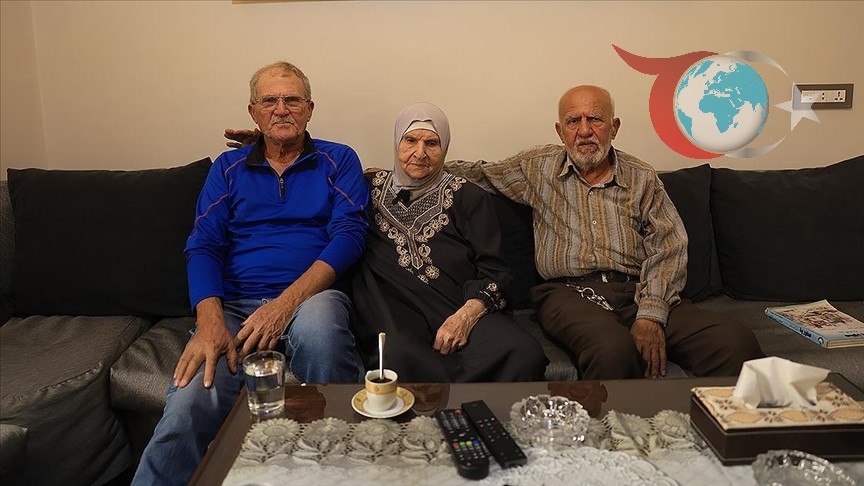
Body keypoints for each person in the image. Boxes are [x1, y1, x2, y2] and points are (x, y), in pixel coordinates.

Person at [132, 61, 369, 485]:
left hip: (311, 299)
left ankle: (338, 466)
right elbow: (203, 244)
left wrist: (283, 305)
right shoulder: (228, 168)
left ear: (309, 109)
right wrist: (209, 322)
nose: (281, 109)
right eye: (269, 100)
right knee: (189, 401)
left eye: (292, 99)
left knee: (321, 334)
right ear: (253, 112)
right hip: (235, 305)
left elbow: (350, 235)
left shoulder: (339, 159)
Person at [445, 85, 764, 380]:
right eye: (573, 121)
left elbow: (669, 246)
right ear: (560, 131)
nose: (584, 131)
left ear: (614, 127)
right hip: (566, 293)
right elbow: (478, 174)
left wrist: (651, 314)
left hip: (636, 290)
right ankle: (616, 425)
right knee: (612, 351)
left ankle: (703, 419)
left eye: (595, 119)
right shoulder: (537, 168)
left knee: (735, 343)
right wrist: (425, 161)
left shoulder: (641, 177)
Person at [350, 102, 548, 382]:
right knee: (397, 356)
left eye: (432, 143)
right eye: (410, 140)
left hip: (459, 306)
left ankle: (482, 412)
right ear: (396, 142)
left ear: (444, 148)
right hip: (396, 314)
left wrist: (465, 317)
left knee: (523, 352)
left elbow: (496, 271)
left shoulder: (469, 197)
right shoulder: (365, 189)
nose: (420, 153)